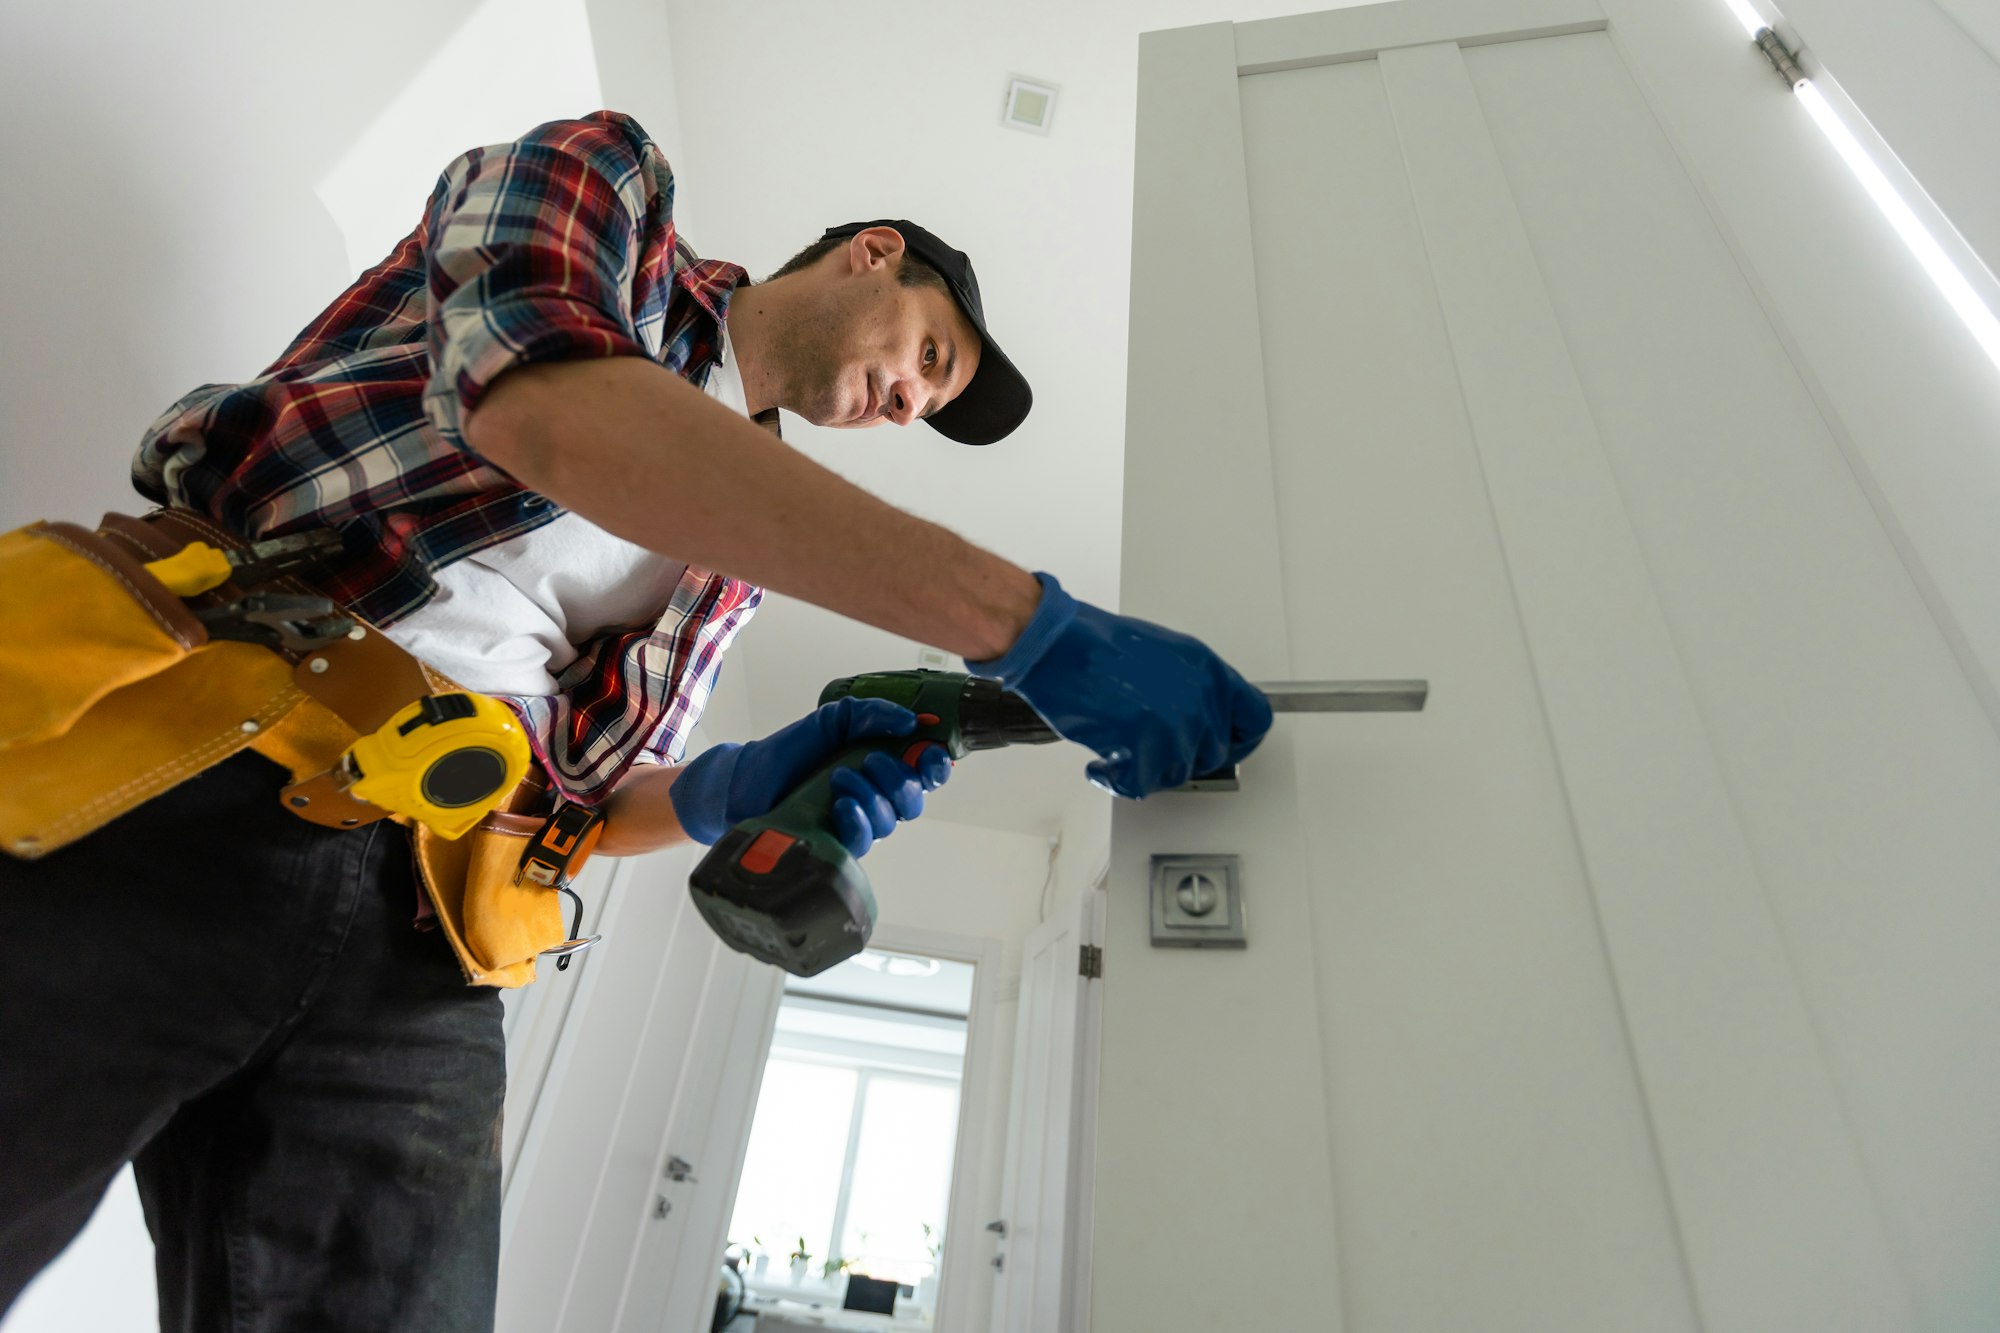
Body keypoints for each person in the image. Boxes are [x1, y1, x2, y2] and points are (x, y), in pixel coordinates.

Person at [0, 111, 1270, 1329]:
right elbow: (543, 404)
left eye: (927, 409)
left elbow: (592, 804)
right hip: (186, 752)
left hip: (429, 922)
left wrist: (735, 786)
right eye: (929, 360)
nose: (909, 405)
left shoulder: (739, 561)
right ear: (872, 254)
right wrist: (1028, 626)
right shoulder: (612, 193)